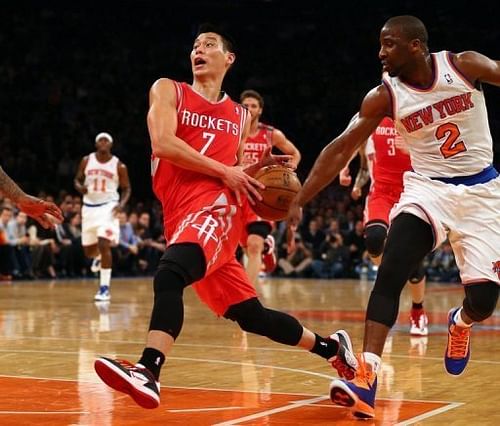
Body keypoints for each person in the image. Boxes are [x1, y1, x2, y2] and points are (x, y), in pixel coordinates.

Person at [93, 23, 355, 409]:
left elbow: (229, 174)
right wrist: (230, 171)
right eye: (195, 45)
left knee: (170, 274)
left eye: (209, 45)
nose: (198, 50)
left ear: (228, 58)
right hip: (180, 213)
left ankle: (148, 370)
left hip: (215, 209)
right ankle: (333, 349)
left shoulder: (237, 115)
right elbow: (164, 144)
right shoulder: (169, 89)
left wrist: (259, 175)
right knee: (251, 315)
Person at [287, 15, 500, 419]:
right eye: (381, 45)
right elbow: (341, 146)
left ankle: (461, 322)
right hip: (428, 190)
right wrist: (302, 197)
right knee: (391, 270)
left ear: (415, 46)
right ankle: (366, 377)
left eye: (389, 44)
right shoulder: (384, 96)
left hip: (483, 194)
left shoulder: (463, 65)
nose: (381, 52)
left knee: (484, 302)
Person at [340, 117, 429, 336]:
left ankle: (418, 310)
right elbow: (353, 143)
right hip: (381, 193)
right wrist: (345, 168)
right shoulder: (372, 114)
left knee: (414, 263)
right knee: (374, 240)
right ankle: (391, 281)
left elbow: (438, 153)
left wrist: (413, 150)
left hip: (413, 192)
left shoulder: (417, 112)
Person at [239, 89, 301, 285]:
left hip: (261, 193)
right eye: (245, 105)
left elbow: (294, 153)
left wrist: (290, 170)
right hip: (237, 190)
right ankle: (268, 248)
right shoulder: (232, 131)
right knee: (244, 245)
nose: (249, 108)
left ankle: (246, 296)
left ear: (260, 111)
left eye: (253, 106)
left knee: (253, 244)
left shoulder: (270, 134)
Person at [74, 132, 131, 301]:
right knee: (89, 251)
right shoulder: (86, 160)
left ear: (111, 145)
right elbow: (77, 180)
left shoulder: (119, 165)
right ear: (96, 144)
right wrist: (79, 187)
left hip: (109, 207)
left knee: (104, 243)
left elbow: (127, 188)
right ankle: (98, 257)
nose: (104, 142)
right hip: (89, 208)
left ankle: (104, 289)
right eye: (101, 140)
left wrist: (121, 205)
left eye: (107, 140)